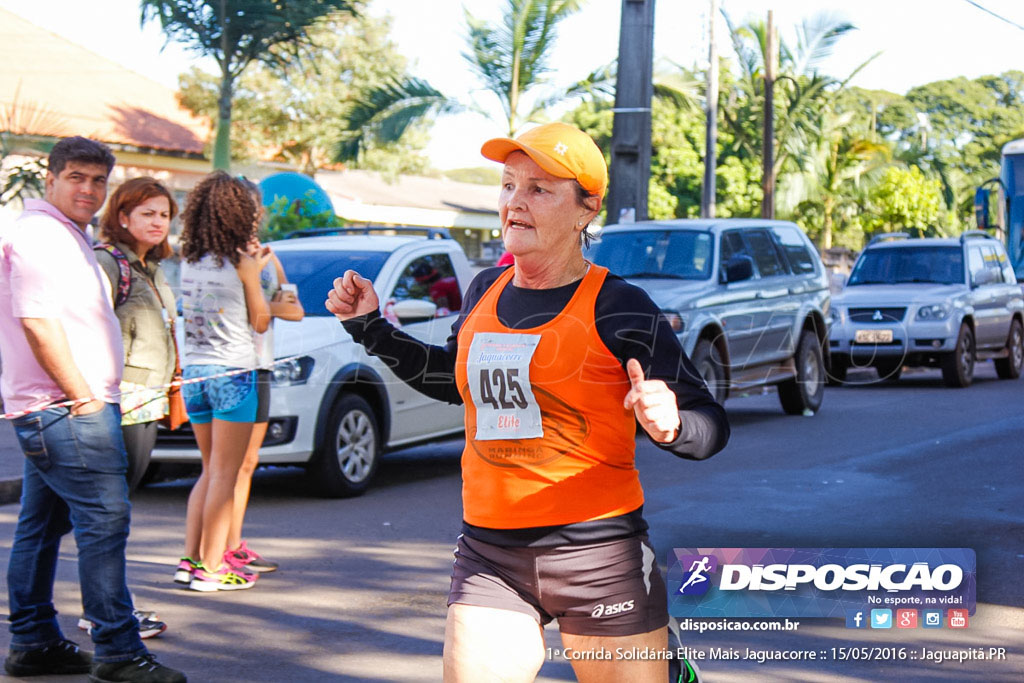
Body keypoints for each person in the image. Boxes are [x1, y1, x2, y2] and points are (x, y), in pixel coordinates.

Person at [327, 122, 729, 682]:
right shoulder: (483, 290)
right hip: (490, 555)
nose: (516, 201)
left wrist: (671, 424)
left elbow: (710, 424)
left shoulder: (621, 306)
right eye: (510, 185)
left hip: (600, 558)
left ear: (586, 210)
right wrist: (368, 326)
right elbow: (453, 380)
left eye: (539, 189)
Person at [0, 136, 185, 682]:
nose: (88, 189)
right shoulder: (40, 236)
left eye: (98, 180)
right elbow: (37, 321)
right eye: (77, 177)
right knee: (105, 522)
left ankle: (32, 643)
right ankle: (118, 652)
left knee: (40, 525)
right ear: (51, 178)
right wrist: (81, 394)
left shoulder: (65, 234)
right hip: (65, 407)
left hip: (64, 405)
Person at [75, 177, 179, 641]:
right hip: (115, 404)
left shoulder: (150, 268)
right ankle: (104, 612)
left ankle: (106, 607)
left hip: (146, 403)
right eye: (148, 214)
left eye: (164, 214)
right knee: (106, 517)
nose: (158, 222)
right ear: (122, 217)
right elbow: (84, 331)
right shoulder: (107, 263)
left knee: (113, 514)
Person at [174, 171, 270, 591]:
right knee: (226, 477)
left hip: (195, 374)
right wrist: (259, 275)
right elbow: (261, 320)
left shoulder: (189, 259)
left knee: (209, 470)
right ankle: (213, 570)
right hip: (234, 372)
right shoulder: (242, 261)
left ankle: (191, 561)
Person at [222, 178, 304, 576]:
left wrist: (264, 301)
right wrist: (265, 306)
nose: (252, 217)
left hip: (262, 364)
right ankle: (214, 549)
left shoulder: (268, 258)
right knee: (223, 466)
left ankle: (235, 544)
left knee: (248, 462)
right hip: (230, 366)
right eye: (246, 208)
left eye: (256, 209)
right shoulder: (219, 259)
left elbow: (294, 310)